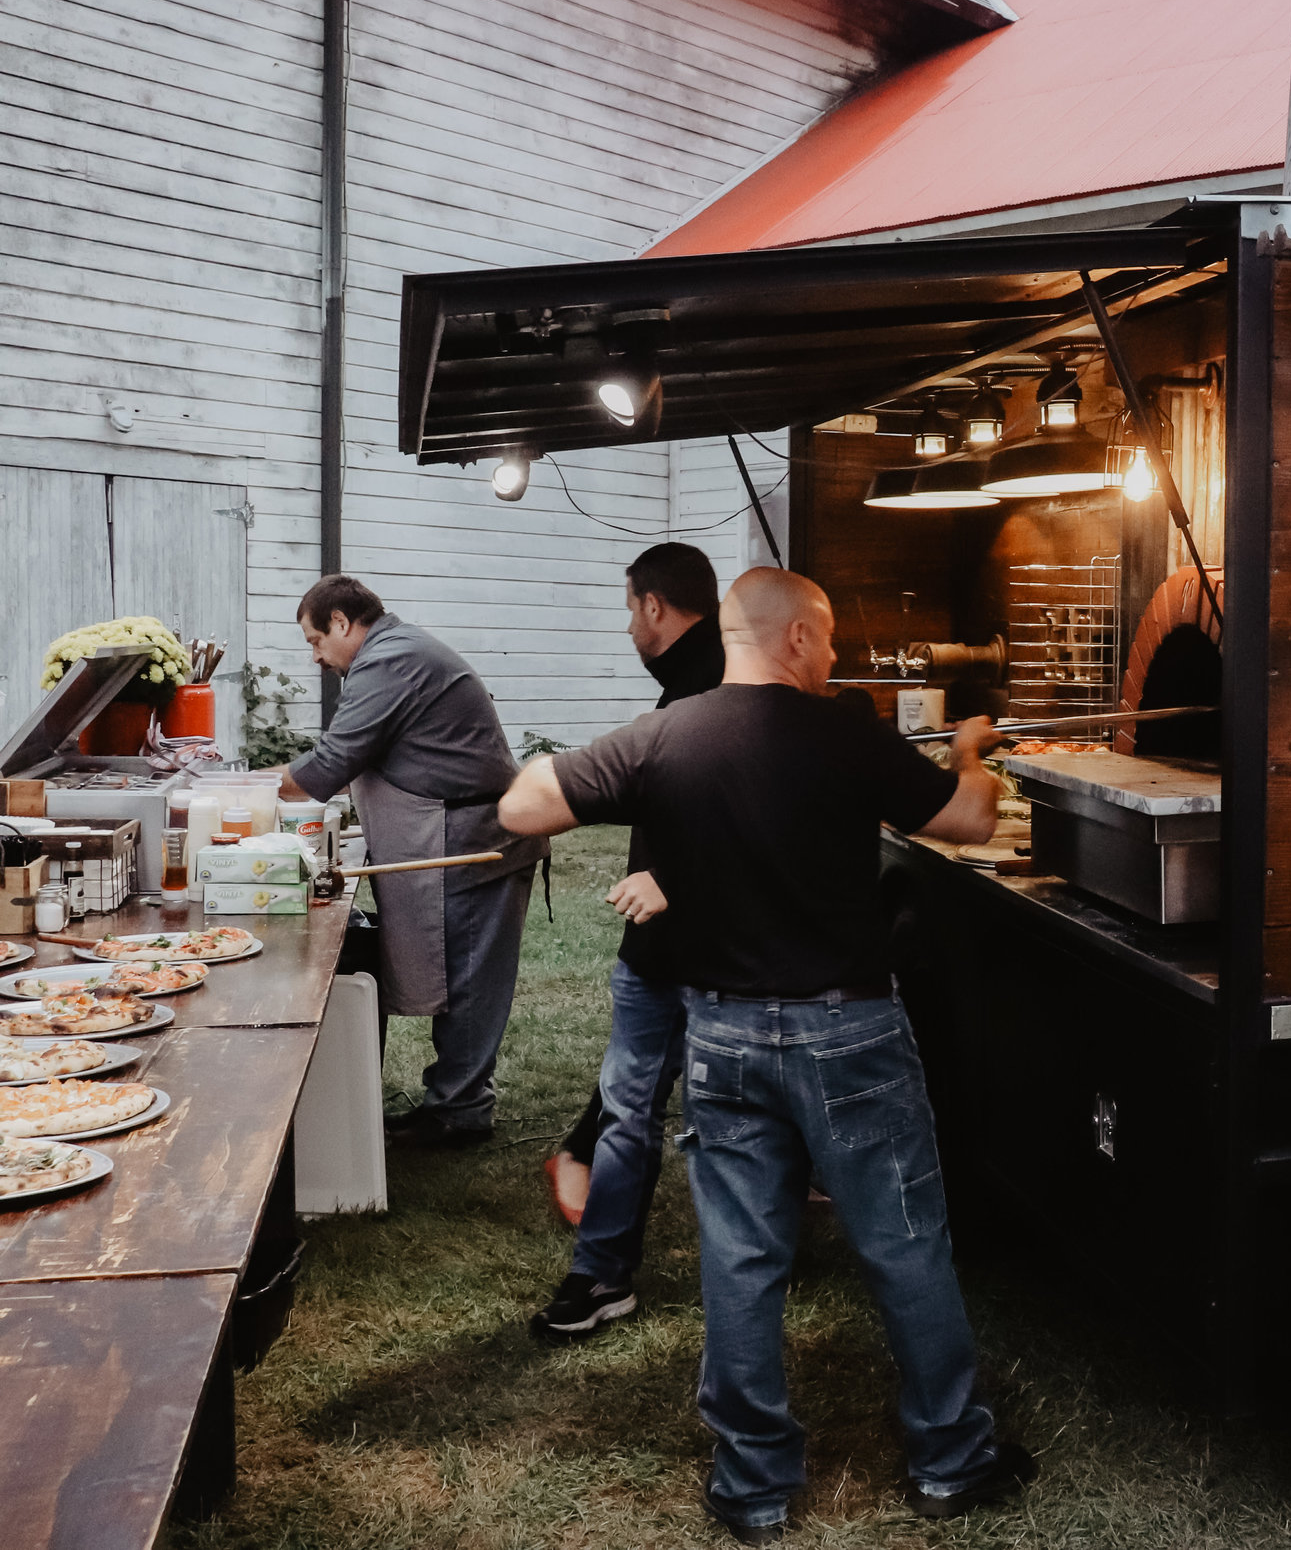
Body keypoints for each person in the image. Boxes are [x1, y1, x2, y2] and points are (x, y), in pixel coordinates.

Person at [498, 569, 1034, 1539]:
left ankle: (751, 1486)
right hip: (851, 1034)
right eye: (826, 642)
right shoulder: (845, 734)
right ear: (794, 639)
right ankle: (952, 1458)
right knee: (904, 1244)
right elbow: (968, 821)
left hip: (725, 1035)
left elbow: (524, 804)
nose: (831, 660)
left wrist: (644, 804)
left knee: (741, 1260)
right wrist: (971, 753)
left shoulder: (669, 735)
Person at [283, 575, 546, 1147]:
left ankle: (460, 1111)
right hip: (448, 833)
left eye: (315, 640)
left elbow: (333, 761)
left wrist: (252, 788)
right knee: (457, 968)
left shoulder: (389, 660)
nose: (316, 656)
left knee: (470, 973)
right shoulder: (388, 654)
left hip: (475, 838)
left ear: (343, 622)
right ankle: (453, 1100)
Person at [539, 542, 726, 1251]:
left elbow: (709, 799)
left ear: (654, 605)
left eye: (629, 610)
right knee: (647, 1065)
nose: (628, 629)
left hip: (684, 913)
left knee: (649, 1070)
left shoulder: (703, 680)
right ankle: (586, 1162)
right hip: (678, 908)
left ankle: (593, 1193)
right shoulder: (697, 672)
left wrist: (670, 879)